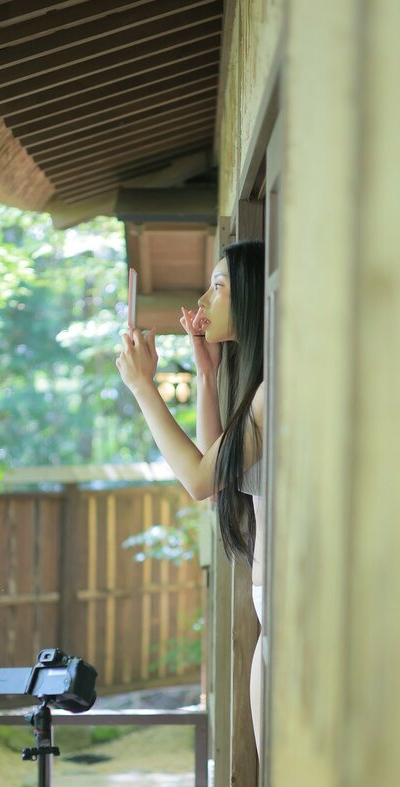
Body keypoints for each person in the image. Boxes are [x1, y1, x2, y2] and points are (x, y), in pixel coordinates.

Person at [116, 239, 266, 755]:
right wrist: (206, 372)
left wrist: (143, 387)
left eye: (218, 286)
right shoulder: (262, 390)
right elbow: (214, 479)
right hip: (273, 615)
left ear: (252, 296)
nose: (202, 301)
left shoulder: (272, 391)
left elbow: (200, 479)